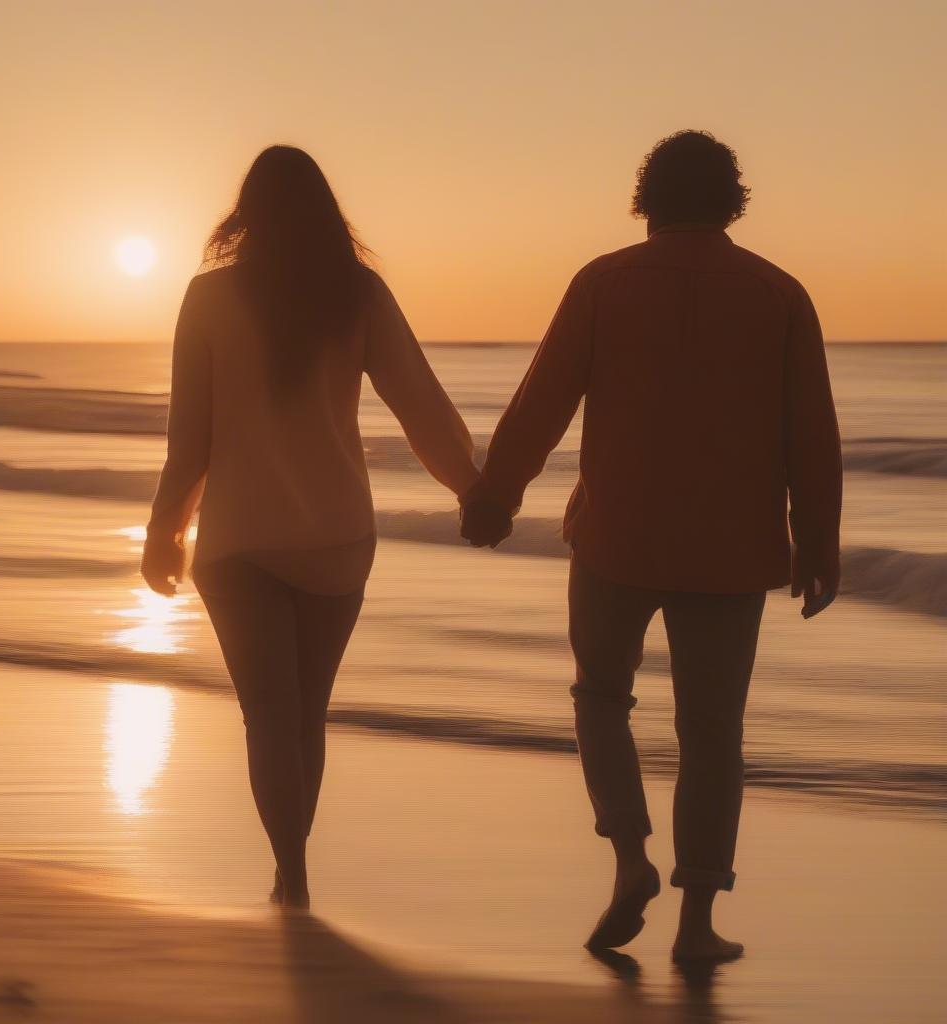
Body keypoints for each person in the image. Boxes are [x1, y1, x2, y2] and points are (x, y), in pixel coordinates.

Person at [461, 130, 842, 962]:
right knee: (712, 732)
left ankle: (632, 858)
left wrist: (496, 496)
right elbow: (812, 433)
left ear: (649, 199)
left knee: (601, 697)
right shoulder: (780, 295)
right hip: (733, 550)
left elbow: (541, 404)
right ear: (731, 199)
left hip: (616, 539)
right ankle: (697, 925)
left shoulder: (603, 284)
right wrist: (820, 543)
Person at [142, 145, 478, 910]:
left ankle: (291, 874)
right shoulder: (357, 294)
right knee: (305, 714)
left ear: (246, 216)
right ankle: (291, 871)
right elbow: (421, 407)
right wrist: (475, 491)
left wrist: (165, 530)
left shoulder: (209, 299)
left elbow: (190, 439)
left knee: (268, 714)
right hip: (336, 538)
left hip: (238, 543)